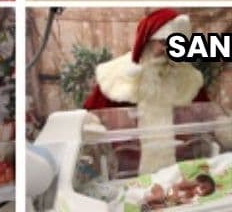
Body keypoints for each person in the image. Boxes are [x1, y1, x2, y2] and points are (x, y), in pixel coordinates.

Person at [83, 9, 207, 173]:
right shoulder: (117, 74)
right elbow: (91, 116)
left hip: (178, 169)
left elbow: (207, 114)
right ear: (148, 41)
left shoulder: (189, 79)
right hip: (126, 170)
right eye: (163, 42)